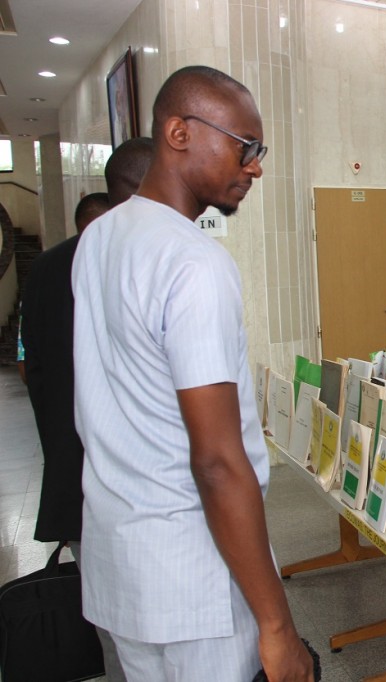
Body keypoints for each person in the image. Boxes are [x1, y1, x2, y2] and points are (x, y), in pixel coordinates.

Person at [72, 65, 313, 682]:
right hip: (194, 576)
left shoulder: (99, 240)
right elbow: (216, 460)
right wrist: (278, 625)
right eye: (245, 146)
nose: (255, 166)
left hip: (121, 565)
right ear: (178, 132)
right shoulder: (194, 262)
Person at [23, 139, 155, 682]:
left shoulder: (46, 270)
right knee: (149, 628)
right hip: (133, 488)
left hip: (72, 479)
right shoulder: (138, 260)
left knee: (113, 621)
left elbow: (36, 370)